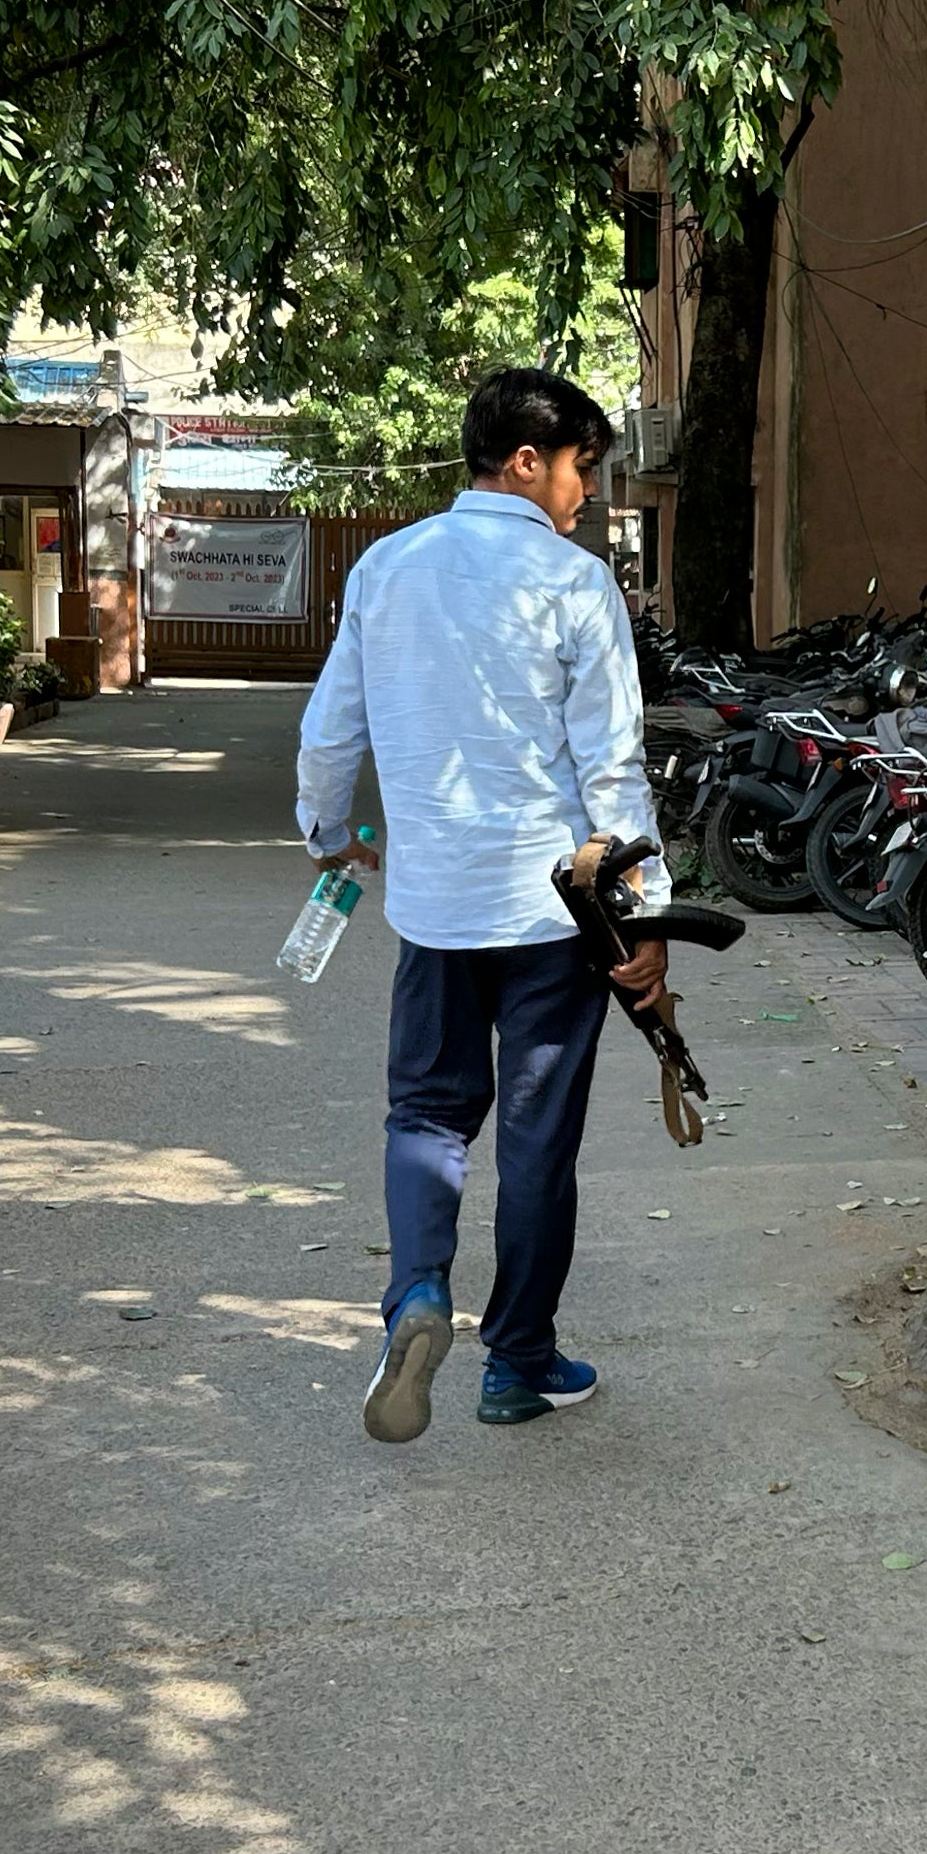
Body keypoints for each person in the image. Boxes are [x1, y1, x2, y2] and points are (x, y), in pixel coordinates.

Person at [298, 368, 669, 1443]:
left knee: (424, 1113)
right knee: (535, 1141)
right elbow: (613, 772)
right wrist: (643, 922)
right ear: (525, 462)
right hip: (558, 917)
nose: (584, 495)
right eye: (579, 469)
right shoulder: (574, 583)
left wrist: (330, 835)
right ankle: (516, 1364)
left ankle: (416, 1294)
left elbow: (330, 733)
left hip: (434, 910)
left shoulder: (386, 567)